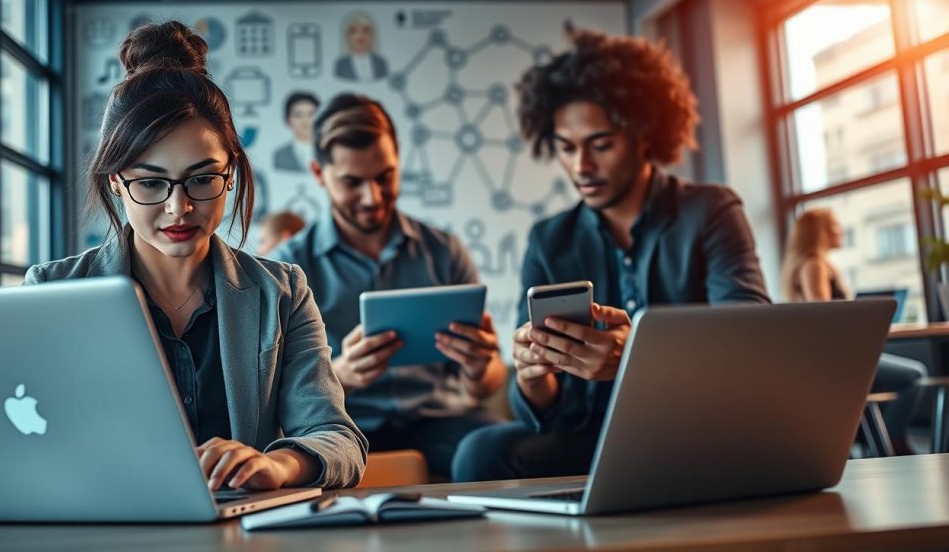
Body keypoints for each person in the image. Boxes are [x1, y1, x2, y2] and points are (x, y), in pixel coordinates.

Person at [24, 21, 366, 490]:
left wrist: (275, 465)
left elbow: (338, 438)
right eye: (150, 182)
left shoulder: (282, 292)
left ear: (231, 175)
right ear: (115, 183)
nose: (179, 207)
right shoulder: (51, 294)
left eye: (203, 178)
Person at [454, 29, 771, 481]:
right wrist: (531, 376)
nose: (581, 166)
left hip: (695, 428)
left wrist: (639, 358)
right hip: (589, 436)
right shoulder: (549, 239)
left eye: (600, 144)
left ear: (645, 134)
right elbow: (540, 410)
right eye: (566, 147)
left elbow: (750, 339)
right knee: (480, 451)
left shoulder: (711, 211)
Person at [272, 93, 507, 481]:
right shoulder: (288, 267)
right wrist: (340, 374)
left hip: (441, 420)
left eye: (385, 177)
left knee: (503, 447)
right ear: (318, 173)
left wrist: (481, 367)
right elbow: (272, 391)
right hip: (344, 428)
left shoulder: (443, 251)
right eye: (352, 182)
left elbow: (489, 381)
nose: (372, 197)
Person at [782, 208, 927, 455]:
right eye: (835, 225)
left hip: (832, 355)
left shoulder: (812, 264)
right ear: (821, 232)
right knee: (914, 374)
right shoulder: (814, 265)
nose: (840, 231)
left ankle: (886, 443)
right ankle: (885, 447)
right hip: (835, 359)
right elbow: (823, 314)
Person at [333, 12, 389, 82]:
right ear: (347, 36)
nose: (360, 35)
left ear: (372, 35)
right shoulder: (341, 65)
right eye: (354, 31)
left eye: (365, 30)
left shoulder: (381, 63)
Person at [273, 92, 319, 173]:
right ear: (288, 119)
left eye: (311, 114)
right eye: (298, 115)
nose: (305, 120)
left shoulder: (330, 152)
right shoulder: (280, 155)